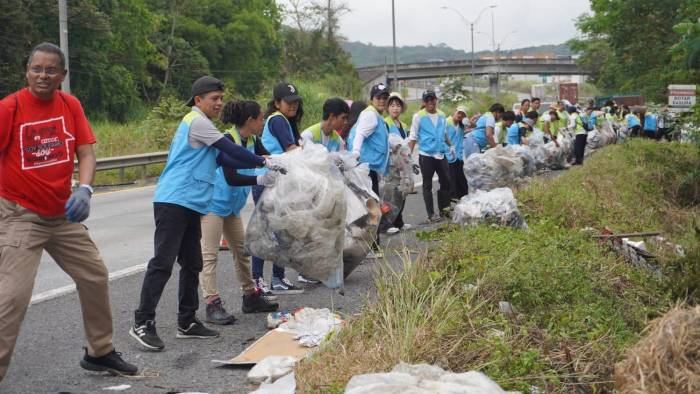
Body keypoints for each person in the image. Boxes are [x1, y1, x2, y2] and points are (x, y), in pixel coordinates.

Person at [0, 42, 137, 378]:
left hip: (63, 215)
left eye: (50, 70)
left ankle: (99, 351)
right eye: (36, 69)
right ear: (26, 72)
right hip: (22, 215)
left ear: (62, 75)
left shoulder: (70, 104)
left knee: (94, 275)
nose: (42, 75)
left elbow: (86, 153)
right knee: (12, 298)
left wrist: (85, 189)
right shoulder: (9, 108)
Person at [131, 76, 277, 351]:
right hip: (173, 199)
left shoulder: (204, 126)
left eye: (221, 98)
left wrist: (262, 170)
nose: (219, 103)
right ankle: (142, 322)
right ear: (198, 100)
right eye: (214, 99)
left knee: (192, 263)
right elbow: (229, 148)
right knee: (163, 263)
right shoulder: (196, 122)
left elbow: (226, 159)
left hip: (192, 203)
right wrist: (264, 160)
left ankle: (187, 322)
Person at [199, 100, 280, 326]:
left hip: (231, 207)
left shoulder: (254, 140)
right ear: (249, 121)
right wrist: (259, 178)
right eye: (261, 118)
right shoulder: (227, 140)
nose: (263, 121)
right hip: (213, 205)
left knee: (243, 252)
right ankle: (212, 303)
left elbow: (268, 158)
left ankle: (249, 296)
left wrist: (289, 162)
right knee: (210, 255)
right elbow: (231, 177)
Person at [256, 82, 308, 292]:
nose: (293, 105)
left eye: (296, 101)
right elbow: (292, 149)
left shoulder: (285, 120)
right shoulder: (277, 119)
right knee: (267, 233)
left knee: (281, 231)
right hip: (267, 181)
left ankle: (277, 277)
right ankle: (259, 280)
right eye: (289, 102)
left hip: (277, 181)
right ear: (277, 103)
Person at [348, 83, 391, 257]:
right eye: (378, 97)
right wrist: (356, 153)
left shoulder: (375, 116)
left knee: (370, 207)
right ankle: (371, 247)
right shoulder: (370, 115)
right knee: (371, 208)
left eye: (384, 98)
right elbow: (360, 134)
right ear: (372, 99)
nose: (382, 101)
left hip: (369, 167)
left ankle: (370, 246)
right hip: (364, 168)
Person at [408, 90, 453, 222]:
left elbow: (444, 133)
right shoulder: (418, 116)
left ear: (436, 100)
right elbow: (413, 137)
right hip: (426, 155)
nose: (430, 102)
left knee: (446, 182)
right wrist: (408, 157)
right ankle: (431, 214)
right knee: (427, 185)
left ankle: (444, 211)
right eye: (427, 100)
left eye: (432, 99)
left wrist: (451, 145)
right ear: (424, 102)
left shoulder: (442, 115)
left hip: (440, 153)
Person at [381, 92, 412, 234]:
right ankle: (387, 223)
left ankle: (399, 221)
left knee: (402, 192)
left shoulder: (403, 125)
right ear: (388, 107)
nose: (395, 108)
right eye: (392, 105)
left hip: (402, 164)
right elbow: (384, 142)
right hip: (390, 164)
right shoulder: (385, 122)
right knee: (389, 193)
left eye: (398, 105)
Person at [445, 106, 469, 200]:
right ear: (454, 112)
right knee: (451, 182)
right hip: (448, 156)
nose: (460, 115)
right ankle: (452, 204)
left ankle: (464, 201)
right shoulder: (446, 122)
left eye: (463, 115)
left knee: (462, 182)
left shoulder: (461, 126)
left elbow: (473, 125)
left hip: (458, 157)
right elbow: (442, 138)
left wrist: (468, 121)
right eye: (459, 113)